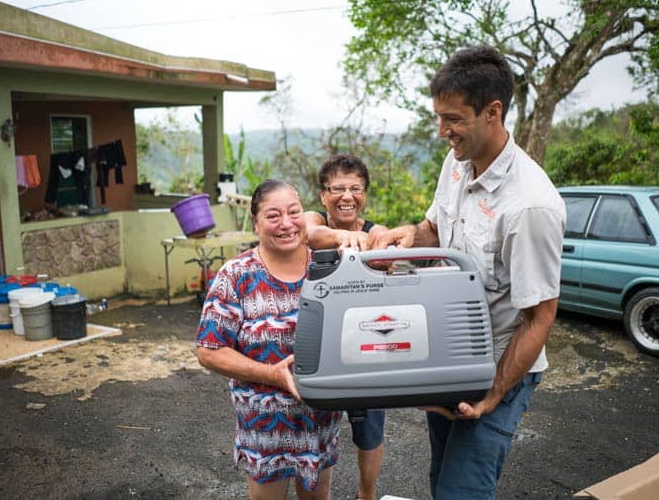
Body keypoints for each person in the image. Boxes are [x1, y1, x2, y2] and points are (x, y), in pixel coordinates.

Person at [374, 46, 566, 500]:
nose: (442, 132)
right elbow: (435, 228)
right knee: (442, 477)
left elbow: (540, 318)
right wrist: (407, 235)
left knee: (462, 491)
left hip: (499, 365)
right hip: (452, 356)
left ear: (492, 111)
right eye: (439, 118)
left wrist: (494, 394)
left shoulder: (529, 206)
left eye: (453, 119)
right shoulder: (457, 164)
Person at [196, 179, 341, 500]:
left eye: (294, 212)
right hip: (265, 427)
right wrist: (272, 374)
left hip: (319, 420)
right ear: (256, 224)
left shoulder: (328, 267)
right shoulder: (237, 275)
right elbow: (209, 350)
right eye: (273, 216)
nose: (286, 223)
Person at [305, 154, 388, 500]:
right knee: (319, 427)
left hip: (367, 340)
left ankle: (366, 494)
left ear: (365, 193)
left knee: (370, 428)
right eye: (337, 189)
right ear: (323, 195)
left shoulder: (373, 229)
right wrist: (344, 237)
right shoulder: (314, 220)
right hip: (320, 340)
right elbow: (311, 233)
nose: (347, 196)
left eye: (355, 188)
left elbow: (384, 238)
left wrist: (373, 239)